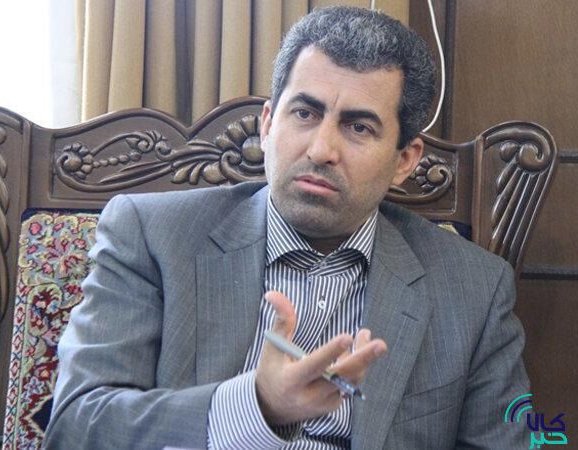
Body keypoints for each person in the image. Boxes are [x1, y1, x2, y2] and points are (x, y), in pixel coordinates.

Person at [44, 6, 530, 449]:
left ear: (405, 160)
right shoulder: (153, 236)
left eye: (359, 127)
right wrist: (257, 406)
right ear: (268, 123)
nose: (320, 149)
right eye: (305, 113)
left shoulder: (474, 288)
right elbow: (76, 428)